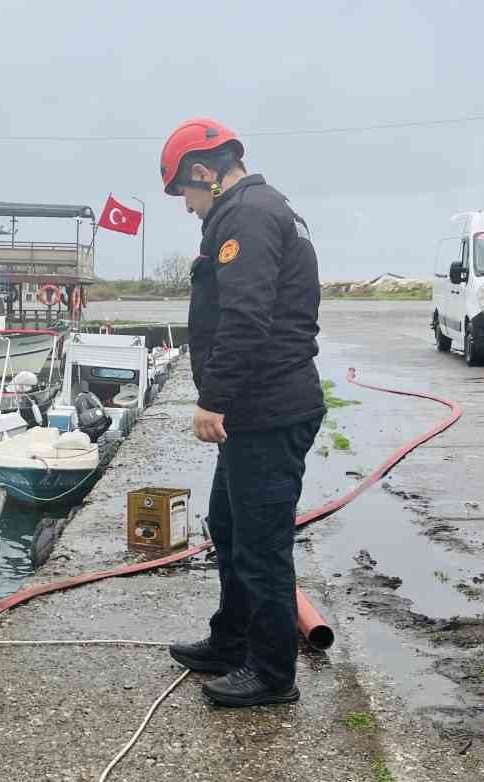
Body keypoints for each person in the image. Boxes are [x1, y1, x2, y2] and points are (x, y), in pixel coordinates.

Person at [159, 118, 326, 708]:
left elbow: (247, 318)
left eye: (186, 194)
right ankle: (231, 640)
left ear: (203, 173)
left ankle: (273, 673)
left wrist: (214, 399)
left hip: (266, 409)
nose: (188, 209)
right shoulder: (261, 209)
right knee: (229, 530)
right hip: (261, 408)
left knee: (261, 546)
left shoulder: (247, 216)